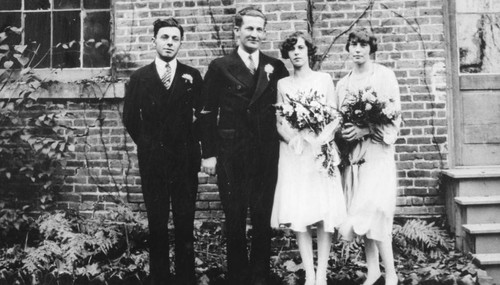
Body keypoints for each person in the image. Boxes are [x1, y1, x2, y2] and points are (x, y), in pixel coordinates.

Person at [199, 7, 289, 285]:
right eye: (249, 28)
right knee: (234, 216)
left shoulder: (276, 67)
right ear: (236, 31)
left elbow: (287, 110)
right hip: (231, 154)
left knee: (262, 217)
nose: (254, 34)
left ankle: (260, 276)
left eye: (260, 29)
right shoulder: (220, 67)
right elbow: (206, 112)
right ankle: (237, 276)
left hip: (265, 153)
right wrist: (209, 154)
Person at [122, 18, 203, 285]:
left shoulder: (192, 75)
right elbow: (131, 118)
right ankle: (159, 279)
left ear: (180, 42)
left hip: (184, 161)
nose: (170, 43)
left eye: (175, 38)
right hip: (154, 160)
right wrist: (148, 144)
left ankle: (185, 279)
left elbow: (202, 118)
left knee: (184, 222)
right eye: (165, 37)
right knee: (157, 223)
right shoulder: (140, 77)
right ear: (154, 40)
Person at [270, 31, 347, 285]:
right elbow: (280, 121)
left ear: (308, 51)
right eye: (291, 49)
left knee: (323, 214)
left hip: (319, 153)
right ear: (287, 54)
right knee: (300, 213)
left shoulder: (323, 79)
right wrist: (292, 137)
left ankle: (322, 274)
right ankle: (309, 274)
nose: (296, 53)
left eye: (301, 47)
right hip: (295, 155)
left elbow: (335, 116)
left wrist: (320, 138)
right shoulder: (283, 84)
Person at [336, 28, 401, 285]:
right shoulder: (343, 84)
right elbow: (339, 122)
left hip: (378, 153)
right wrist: (345, 133)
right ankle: (373, 270)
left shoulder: (384, 76)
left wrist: (366, 128)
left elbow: (394, 116)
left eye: (363, 44)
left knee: (375, 210)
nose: (358, 49)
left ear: (371, 47)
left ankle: (392, 273)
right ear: (348, 49)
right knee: (361, 212)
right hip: (354, 157)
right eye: (353, 44)